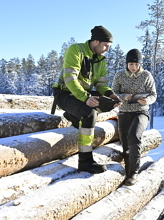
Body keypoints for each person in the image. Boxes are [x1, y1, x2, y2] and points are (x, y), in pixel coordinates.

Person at [52, 25, 120, 174]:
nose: (107, 49)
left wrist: (110, 95)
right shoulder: (75, 50)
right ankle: (85, 161)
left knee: (107, 104)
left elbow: (101, 84)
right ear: (96, 41)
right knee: (89, 113)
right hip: (65, 93)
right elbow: (70, 78)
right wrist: (85, 98)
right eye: (106, 46)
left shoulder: (101, 59)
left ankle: (73, 115)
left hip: (84, 94)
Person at [112, 49, 157, 185]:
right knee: (125, 143)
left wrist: (147, 100)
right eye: (131, 64)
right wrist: (123, 97)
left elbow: (153, 95)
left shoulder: (146, 75)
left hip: (141, 112)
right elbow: (113, 93)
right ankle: (127, 171)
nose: (134, 67)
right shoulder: (119, 75)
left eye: (136, 64)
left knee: (134, 136)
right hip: (124, 112)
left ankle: (134, 172)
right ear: (126, 63)